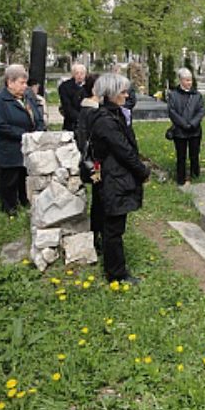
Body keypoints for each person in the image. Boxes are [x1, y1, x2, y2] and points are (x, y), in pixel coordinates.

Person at [89, 73, 150, 283]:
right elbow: (123, 150)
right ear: (111, 94)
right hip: (113, 179)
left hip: (115, 176)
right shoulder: (106, 120)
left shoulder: (113, 115)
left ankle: (113, 266)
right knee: (113, 228)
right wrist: (142, 171)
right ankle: (116, 274)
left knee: (113, 225)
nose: (126, 95)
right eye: (122, 92)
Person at [0, 64, 46, 216]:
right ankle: (9, 208)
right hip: (10, 147)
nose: (25, 86)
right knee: (10, 180)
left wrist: (39, 131)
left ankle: (24, 201)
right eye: (21, 83)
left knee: (24, 176)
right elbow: (0, 126)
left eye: (25, 83)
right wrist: (24, 134)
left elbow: (38, 116)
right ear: (10, 82)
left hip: (29, 146)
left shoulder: (28, 97)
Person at [74, 74, 103, 250]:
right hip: (96, 162)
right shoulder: (91, 110)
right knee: (99, 200)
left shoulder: (93, 108)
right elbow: (86, 139)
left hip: (96, 160)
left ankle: (98, 232)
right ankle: (96, 234)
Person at [167, 68, 205, 186]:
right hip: (180, 131)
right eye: (186, 80)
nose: (189, 83)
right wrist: (184, 124)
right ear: (180, 80)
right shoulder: (173, 95)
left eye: (190, 80)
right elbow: (172, 112)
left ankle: (195, 174)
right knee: (181, 156)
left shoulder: (197, 95)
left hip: (195, 130)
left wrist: (193, 123)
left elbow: (201, 110)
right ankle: (180, 178)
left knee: (194, 154)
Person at [58, 63, 86, 131]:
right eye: (77, 73)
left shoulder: (90, 85)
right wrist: (80, 118)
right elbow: (67, 106)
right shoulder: (65, 87)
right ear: (73, 74)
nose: (79, 76)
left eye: (82, 73)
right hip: (71, 123)